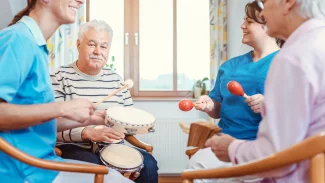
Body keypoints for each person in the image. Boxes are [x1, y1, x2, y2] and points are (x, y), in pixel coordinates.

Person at [0, 0, 133, 183]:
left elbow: (33, 121)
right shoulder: (18, 39)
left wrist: (87, 119)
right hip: (24, 172)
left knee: (117, 177)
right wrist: (62, 108)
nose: (79, 1)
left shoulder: (36, 45)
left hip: (42, 167)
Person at [205, 0, 325, 182]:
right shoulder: (316, 43)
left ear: (288, 2)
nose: (262, 12)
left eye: (265, 2)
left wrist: (231, 148)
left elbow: (277, 157)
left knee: (193, 172)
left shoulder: (293, 57)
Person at [51, 19, 159, 183]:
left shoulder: (116, 80)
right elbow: (52, 124)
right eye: (91, 44)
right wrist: (88, 132)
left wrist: (143, 126)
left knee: (149, 164)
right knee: (95, 167)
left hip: (113, 146)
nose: (97, 51)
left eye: (103, 46)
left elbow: (130, 121)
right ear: (79, 45)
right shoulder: (59, 77)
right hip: (74, 147)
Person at [187, 1, 283, 181]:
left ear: (266, 24)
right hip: (224, 143)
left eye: (248, 21)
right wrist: (209, 105)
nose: (242, 25)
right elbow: (217, 109)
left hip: (262, 148)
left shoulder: (285, 62)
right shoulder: (229, 66)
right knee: (195, 169)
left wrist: (268, 104)